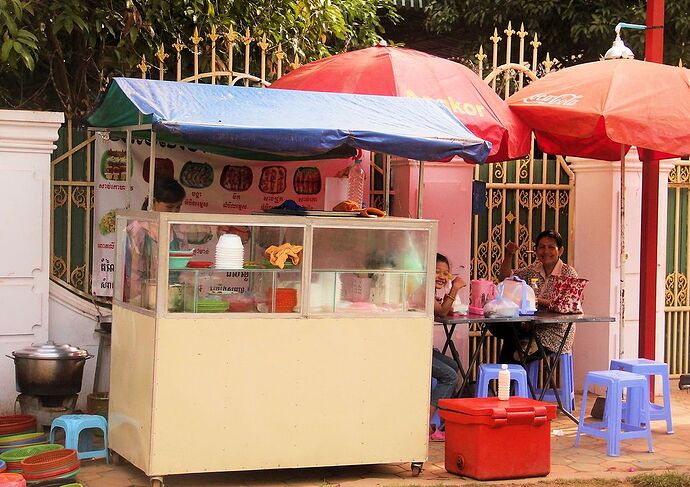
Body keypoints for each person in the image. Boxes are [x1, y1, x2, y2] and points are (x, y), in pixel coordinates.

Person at [494, 229, 578, 363]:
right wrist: (509, 255)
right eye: (542, 247)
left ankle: (514, 382)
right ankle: (511, 382)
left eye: (551, 247)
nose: (546, 251)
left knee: (515, 353)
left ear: (560, 251)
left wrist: (537, 301)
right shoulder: (533, 269)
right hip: (533, 327)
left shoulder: (568, 273)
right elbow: (504, 279)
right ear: (536, 250)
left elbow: (567, 304)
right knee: (503, 330)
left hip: (555, 334)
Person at [124, 176, 187, 303]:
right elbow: (132, 273)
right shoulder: (137, 230)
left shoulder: (179, 231)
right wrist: (139, 301)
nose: (174, 212)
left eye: (178, 207)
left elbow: (184, 269)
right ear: (153, 202)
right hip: (141, 298)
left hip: (172, 296)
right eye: (169, 207)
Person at [429, 253, 466, 441]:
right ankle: (424, 424)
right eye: (436, 271)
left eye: (446, 273)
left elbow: (442, 311)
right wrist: (456, 288)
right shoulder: (423, 289)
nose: (442, 277)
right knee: (449, 376)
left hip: (422, 347)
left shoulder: (430, 292)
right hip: (411, 350)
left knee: (452, 366)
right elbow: (443, 311)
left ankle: (441, 420)